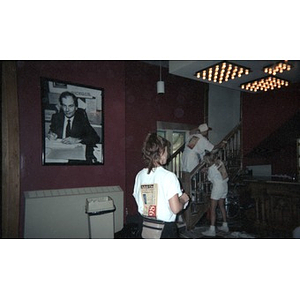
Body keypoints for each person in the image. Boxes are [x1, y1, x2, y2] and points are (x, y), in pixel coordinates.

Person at [133, 133, 190, 238]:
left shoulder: (139, 175)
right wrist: (183, 199)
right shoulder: (169, 177)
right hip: (164, 230)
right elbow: (176, 209)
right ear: (160, 152)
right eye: (166, 150)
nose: (167, 154)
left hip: (144, 226)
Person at [202, 152, 229, 237]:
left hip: (217, 187)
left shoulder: (210, 169)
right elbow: (219, 173)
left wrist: (206, 172)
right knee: (222, 206)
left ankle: (212, 229)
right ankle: (225, 225)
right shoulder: (219, 163)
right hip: (224, 185)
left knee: (212, 208)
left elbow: (210, 179)